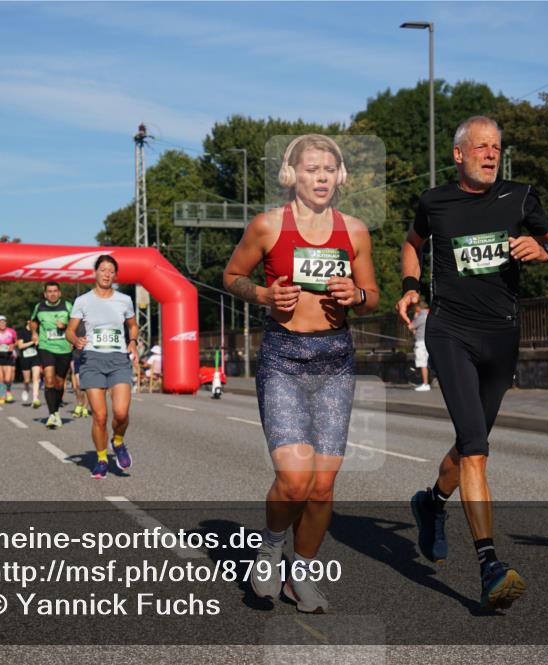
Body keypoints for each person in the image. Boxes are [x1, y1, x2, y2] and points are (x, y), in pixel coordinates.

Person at [397, 116, 548, 611]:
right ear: (459, 155)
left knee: (469, 444)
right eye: (482, 147)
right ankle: (490, 564)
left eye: (496, 147)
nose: (492, 154)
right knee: (476, 449)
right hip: (450, 332)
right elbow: (412, 244)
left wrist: (543, 249)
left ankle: (431, 503)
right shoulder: (435, 202)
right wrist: (411, 288)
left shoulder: (519, 197)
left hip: (501, 337)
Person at [223, 134, 379, 613]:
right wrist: (265, 296)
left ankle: (302, 573)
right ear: (293, 175)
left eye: (330, 169)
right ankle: (271, 548)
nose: (322, 178)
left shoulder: (354, 230)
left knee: (323, 486)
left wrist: (357, 297)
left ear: (340, 176)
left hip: (335, 358)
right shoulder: (267, 226)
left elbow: (374, 293)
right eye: (312, 169)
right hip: (284, 358)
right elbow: (232, 277)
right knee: (293, 480)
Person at [66, 256, 139, 480]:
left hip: (118, 359)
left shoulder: (124, 300)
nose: (107, 274)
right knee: (99, 416)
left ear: (115, 275)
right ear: (95, 273)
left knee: (121, 412)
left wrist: (133, 341)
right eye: (103, 270)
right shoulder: (83, 301)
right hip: (92, 360)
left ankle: (117, 442)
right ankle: (101, 459)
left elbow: (133, 326)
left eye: (111, 271)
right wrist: (75, 341)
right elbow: (70, 330)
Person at [30, 281, 74, 429]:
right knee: (49, 378)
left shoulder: (68, 306)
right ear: (45, 294)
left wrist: (66, 326)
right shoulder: (39, 307)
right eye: (49, 291)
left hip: (64, 349)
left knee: (59, 383)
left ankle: (56, 410)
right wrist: (34, 333)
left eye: (55, 291)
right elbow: (33, 321)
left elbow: (78, 324)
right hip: (46, 346)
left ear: (59, 293)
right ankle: (52, 414)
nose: (53, 294)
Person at [0, 315, 17, 404]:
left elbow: (16, 342)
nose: (2, 324)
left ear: (6, 323)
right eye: (0, 322)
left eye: (4, 322)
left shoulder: (11, 331)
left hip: (8, 356)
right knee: (1, 378)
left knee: (8, 379)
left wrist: (13, 346)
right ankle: (2, 396)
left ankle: (8, 391)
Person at [16, 317, 42, 408]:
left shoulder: (37, 331)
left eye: (36, 323)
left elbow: (39, 343)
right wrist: (32, 342)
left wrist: (38, 342)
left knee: (36, 378)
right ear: (28, 322)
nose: (35, 325)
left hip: (36, 357)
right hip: (25, 358)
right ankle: (26, 388)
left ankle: (35, 398)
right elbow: (20, 346)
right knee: (27, 380)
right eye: (33, 322)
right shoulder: (21, 332)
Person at [70, 321, 90, 419]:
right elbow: (69, 335)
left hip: (89, 356)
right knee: (77, 385)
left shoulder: (92, 322)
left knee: (86, 385)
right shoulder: (75, 322)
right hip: (76, 355)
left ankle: (85, 408)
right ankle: (79, 404)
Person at [410, 299, 431, 391]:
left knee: (422, 363)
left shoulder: (421, 316)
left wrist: (414, 317)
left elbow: (410, 326)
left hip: (421, 342)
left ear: (418, 307)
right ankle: (425, 382)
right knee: (426, 363)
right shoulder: (428, 315)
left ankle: (425, 384)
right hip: (427, 341)